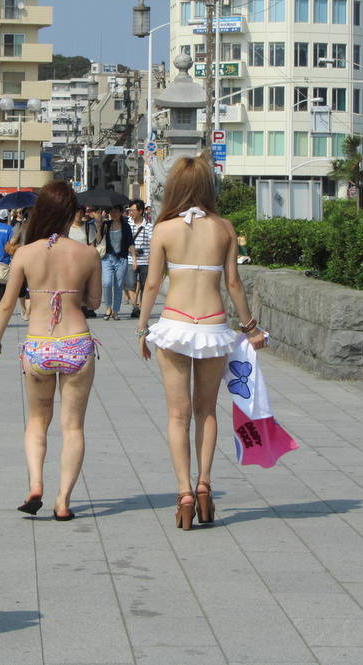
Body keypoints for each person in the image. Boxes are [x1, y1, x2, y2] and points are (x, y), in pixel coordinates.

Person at [137, 156, 267, 531]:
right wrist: (251, 328)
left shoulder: (164, 229)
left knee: (177, 416)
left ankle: (184, 494)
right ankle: (205, 485)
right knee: (206, 411)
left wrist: (143, 328)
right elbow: (233, 283)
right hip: (212, 326)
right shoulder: (224, 228)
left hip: (174, 325)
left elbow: (151, 283)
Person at [0, 181, 102, 520]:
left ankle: (36, 484)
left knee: (37, 420)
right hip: (77, 343)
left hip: (38, 346)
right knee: (73, 427)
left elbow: (6, 304)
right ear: (70, 214)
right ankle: (63, 501)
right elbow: (95, 301)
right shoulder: (88, 254)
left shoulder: (25, 253)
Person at [98, 205, 134, 320]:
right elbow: (98, 240)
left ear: (120, 213)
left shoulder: (126, 226)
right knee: (107, 283)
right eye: (111, 212)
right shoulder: (106, 224)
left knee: (118, 285)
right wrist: (99, 226)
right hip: (107, 258)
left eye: (116, 212)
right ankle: (108, 307)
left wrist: (134, 259)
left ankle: (115, 311)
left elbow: (131, 242)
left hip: (121, 259)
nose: (113, 214)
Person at [125, 199, 154, 319]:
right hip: (130, 259)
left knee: (144, 286)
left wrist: (152, 255)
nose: (130, 212)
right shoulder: (127, 224)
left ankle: (141, 308)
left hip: (145, 260)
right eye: (129, 210)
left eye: (133, 210)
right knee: (130, 284)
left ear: (141, 211)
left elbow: (152, 242)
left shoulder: (148, 226)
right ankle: (135, 307)